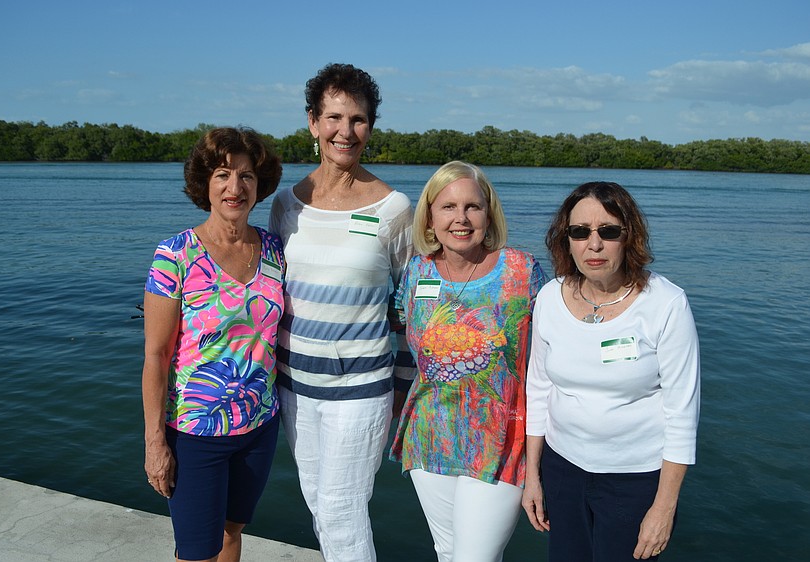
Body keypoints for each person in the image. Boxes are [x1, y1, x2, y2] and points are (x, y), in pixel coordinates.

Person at [268, 63, 414, 561]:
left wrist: (403, 384)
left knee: (339, 507)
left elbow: (412, 302)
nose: (345, 131)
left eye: (358, 119)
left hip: (362, 385)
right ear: (313, 122)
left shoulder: (395, 209)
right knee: (318, 502)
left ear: (370, 127)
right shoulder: (287, 203)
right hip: (294, 384)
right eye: (333, 118)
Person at [523, 181, 701, 561]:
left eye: (608, 231)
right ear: (566, 239)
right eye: (580, 232)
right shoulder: (550, 298)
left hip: (634, 481)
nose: (594, 244)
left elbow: (682, 413)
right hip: (561, 470)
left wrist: (664, 508)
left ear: (629, 236)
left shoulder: (666, 304)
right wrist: (532, 476)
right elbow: (538, 389)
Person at [389, 161, 546, 562]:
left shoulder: (521, 272)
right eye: (448, 207)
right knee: (447, 551)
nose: (461, 218)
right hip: (430, 439)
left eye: (473, 207)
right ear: (429, 216)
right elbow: (391, 323)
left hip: (500, 442)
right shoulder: (415, 272)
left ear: (489, 214)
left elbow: (556, 348)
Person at [142, 127, 284, 562]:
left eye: (246, 177)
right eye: (223, 174)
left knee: (231, 533)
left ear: (260, 186)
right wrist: (155, 442)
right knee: (198, 550)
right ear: (205, 182)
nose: (235, 187)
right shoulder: (175, 255)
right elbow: (156, 355)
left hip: (260, 425)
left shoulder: (275, 250)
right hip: (196, 433)